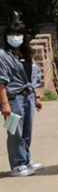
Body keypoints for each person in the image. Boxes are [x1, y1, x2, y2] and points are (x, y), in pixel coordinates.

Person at [0, 22, 44, 177]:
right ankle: (17, 165)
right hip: (13, 99)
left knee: (26, 132)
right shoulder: (2, 55)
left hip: (28, 97)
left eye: (18, 34)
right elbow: (1, 82)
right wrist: (4, 104)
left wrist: (36, 96)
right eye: (11, 34)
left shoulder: (25, 54)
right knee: (14, 133)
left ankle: (26, 160)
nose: (15, 37)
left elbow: (31, 78)